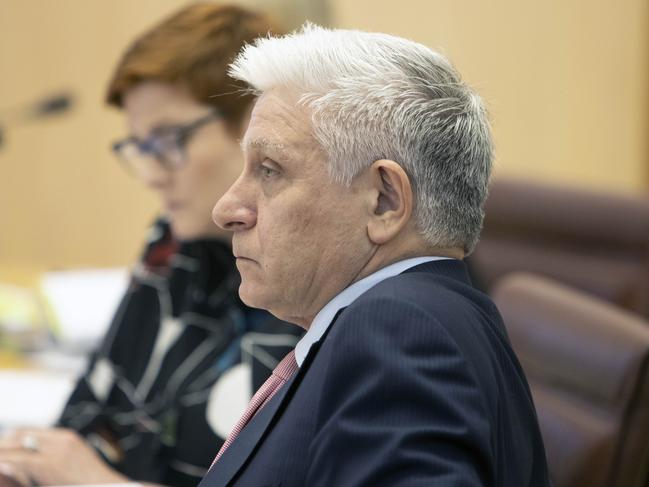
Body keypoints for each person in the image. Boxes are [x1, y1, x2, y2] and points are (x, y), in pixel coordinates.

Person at [201, 24, 551, 487]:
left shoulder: (400, 332)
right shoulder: (403, 319)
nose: (226, 209)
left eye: (270, 169)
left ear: (384, 201)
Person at [0, 5, 300, 487]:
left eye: (167, 139)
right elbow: (93, 412)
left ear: (256, 120)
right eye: (139, 147)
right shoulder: (175, 243)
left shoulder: (315, 278)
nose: (152, 173)